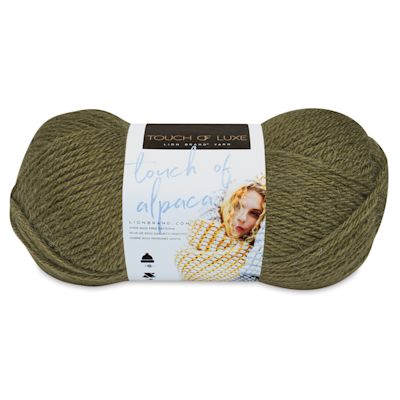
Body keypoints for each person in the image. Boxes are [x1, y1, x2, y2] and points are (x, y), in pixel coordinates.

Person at [175, 175, 266, 281]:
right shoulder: (190, 251)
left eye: (254, 214)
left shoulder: (254, 261)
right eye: (237, 206)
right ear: (226, 205)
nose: (242, 218)